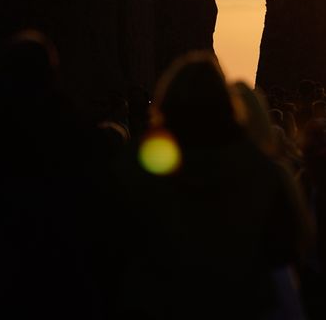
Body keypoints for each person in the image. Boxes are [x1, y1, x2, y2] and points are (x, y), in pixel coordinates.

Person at [115, 52, 308, 319]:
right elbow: (284, 254)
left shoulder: (140, 167)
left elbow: (115, 250)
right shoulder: (262, 170)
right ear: (228, 105)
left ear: (166, 101)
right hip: (243, 306)